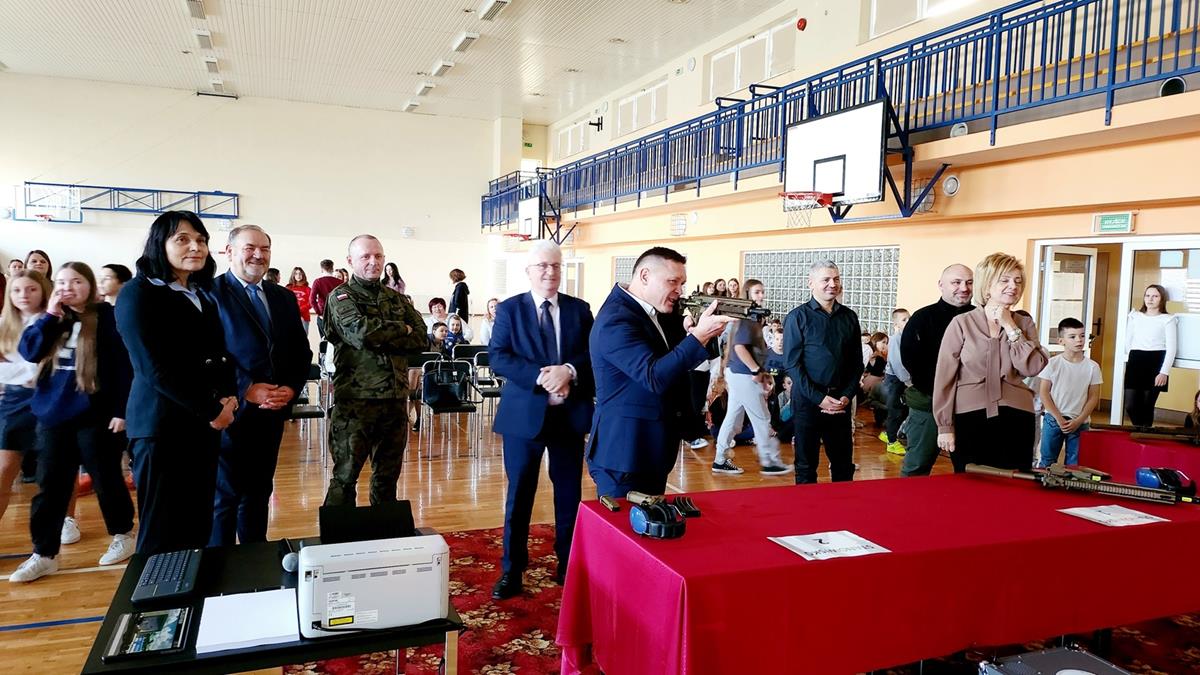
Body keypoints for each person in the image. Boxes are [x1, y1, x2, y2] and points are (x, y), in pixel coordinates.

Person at [116, 211, 238, 554]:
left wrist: (228, 396)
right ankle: (157, 590)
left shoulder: (199, 293)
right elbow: (154, 368)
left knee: (196, 524)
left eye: (201, 240)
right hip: (161, 428)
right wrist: (212, 410)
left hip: (201, 426)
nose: (195, 247)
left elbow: (218, 354)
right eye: (182, 239)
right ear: (160, 244)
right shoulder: (139, 293)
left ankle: (190, 586)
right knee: (161, 531)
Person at [11, 262, 137, 582]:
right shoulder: (53, 318)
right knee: (50, 485)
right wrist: (51, 315)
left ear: (90, 285)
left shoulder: (108, 317)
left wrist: (122, 410)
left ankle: (123, 533)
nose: (68, 288)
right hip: (53, 416)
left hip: (97, 415)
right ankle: (44, 553)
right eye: (63, 282)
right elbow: (30, 351)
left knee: (106, 478)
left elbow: (125, 367)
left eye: (76, 281)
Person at [489, 241, 595, 599]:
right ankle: (512, 569)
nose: (550, 272)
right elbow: (499, 357)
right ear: (529, 271)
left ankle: (568, 563)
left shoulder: (579, 310)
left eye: (556, 266)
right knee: (519, 495)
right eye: (543, 266)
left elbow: (593, 354)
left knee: (569, 494)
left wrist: (569, 371)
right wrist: (542, 377)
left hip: (569, 416)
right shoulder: (510, 309)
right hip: (524, 419)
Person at [587, 247, 732, 497]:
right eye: (672, 282)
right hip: (624, 453)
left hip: (652, 449)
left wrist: (693, 332)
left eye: (682, 283)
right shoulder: (616, 319)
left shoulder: (653, 312)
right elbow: (654, 376)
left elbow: (674, 360)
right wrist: (698, 337)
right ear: (645, 276)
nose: (680, 291)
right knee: (622, 522)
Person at [208, 225, 312, 545]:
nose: (258, 255)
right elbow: (207, 353)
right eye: (250, 248)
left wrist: (291, 388)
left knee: (259, 491)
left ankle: (254, 558)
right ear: (229, 252)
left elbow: (300, 351)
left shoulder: (282, 297)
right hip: (229, 411)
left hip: (272, 412)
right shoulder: (210, 294)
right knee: (224, 497)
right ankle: (220, 564)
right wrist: (246, 388)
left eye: (265, 249)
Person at [323, 235, 427, 506]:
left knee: (387, 479)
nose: (373, 262)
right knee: (345, 477)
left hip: (394, 401)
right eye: (365, 256)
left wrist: (383, 333)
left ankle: (383, 531)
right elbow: (360, 333)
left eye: (378, 256)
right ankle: (339, 532)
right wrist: (401, 328)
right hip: (356, 403)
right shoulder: (341, 297)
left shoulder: (397, 299)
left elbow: (421, 338)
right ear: (350, 261)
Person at [935, 253, 1048, 473]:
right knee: (970, 484)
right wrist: (944, 426)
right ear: (987, 285)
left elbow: (1032, 367)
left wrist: (1010, 327)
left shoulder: (1024, 323)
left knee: (1015, 484)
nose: (1013, 286)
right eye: (1004, 280)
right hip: (970, 416)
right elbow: (944, 378)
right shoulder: (962, 323)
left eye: (1017, 281)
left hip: (1018, 416)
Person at [784, 261, 864, 484]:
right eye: (826, 279)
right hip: (807, 401)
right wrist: (819, 398)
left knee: (843, 466)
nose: (832, 284)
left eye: (836, 279)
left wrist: (847, 395)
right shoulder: (797, 317)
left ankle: (843, 505)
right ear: (811, 283)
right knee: (806, 466)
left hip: (840, 402)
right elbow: (792, 364)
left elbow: (856, 363)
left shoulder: (849, 317)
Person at [898, 264, 976, 477]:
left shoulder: (980, 318)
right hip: (928, 404)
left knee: (971, 470)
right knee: (917, 467)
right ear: (941, 285)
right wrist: (944, 392)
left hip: (971, 406)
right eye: (956, 282)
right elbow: (911, 361)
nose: (964, 288)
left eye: (969, 282)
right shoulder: (922, 318)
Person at [713, 279, 790, 476]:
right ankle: (769, 462)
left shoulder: (751, 318)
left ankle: (720, 459)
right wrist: (756, 370)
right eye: (757, 292)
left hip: (739, 374)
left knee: (734, 418)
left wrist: (760, 371)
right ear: (747, 294)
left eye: (762, 291)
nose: (761, 295)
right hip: (743, 375)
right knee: (762, 418)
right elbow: (740, 348)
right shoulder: (747, 320)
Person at [0, 271, 49, 523]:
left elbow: (51, 367)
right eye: (17, 290)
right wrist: (29, 372)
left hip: (50, 399)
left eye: (31, 289)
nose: (23, 295)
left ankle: (67, 521)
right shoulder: (3, 324)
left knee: (55, 470)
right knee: (4, 470)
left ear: (43, 291)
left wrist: (17, 370)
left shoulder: (55, 322)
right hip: (14, 401)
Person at [1037, 317, 1102, 467]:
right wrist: (1059, 418)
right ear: (1061, 341)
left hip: (1080, 421)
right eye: (1072, 337)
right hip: (1053, 419)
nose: (1079, 340)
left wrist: (1079, 420)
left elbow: (1093, 396)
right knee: (1047, 460)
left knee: (1075, 463)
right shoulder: (1052, 364)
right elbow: (1044, 393)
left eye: (1082, 335)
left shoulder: (1092, 367)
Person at [1123, 284, 1177, 429]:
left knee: (1147, 405)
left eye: (1155, 296)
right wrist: (1132, 358)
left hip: (1156, 362)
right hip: (1136, 360)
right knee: (1130, 405)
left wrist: (1164, 372)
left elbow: (1172, 348)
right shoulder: (1135, 316)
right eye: (1147, 295)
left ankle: (1145, 434)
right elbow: (1128, 341)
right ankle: (1142, 430)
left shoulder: (1168, 319)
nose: (1150, 299)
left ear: (1162, 299)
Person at [879, 308, 911, 455]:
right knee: (896, 410)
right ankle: (891, 442)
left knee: (903, 409)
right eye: (904, 320)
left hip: (903, 379)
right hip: (895, 379)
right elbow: (898, 364)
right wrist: (908, 381)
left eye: (909, 318)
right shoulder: (895, 339)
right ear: (896, 324)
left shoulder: (909, 337)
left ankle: (889, 433)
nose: (908, 321)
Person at [309, 259, 341, 338]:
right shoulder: (340, 282)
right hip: (336, 315)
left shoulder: (318, 282)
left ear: (322, 269)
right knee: (337, 340)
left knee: (324, 340)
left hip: (323, 315)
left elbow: (312, 299)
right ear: (332, 268)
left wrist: (319, 312)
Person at [285, 266, 313, 335]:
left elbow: (311, 303)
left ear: (303, 275)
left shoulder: (308, 289)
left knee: (303, 338)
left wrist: (299, 310)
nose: (298, 276)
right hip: (291, 316)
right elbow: (285, 302)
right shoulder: (288, 288)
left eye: (300, 274)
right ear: (293, 275)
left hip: (304, 317)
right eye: (296, 274)